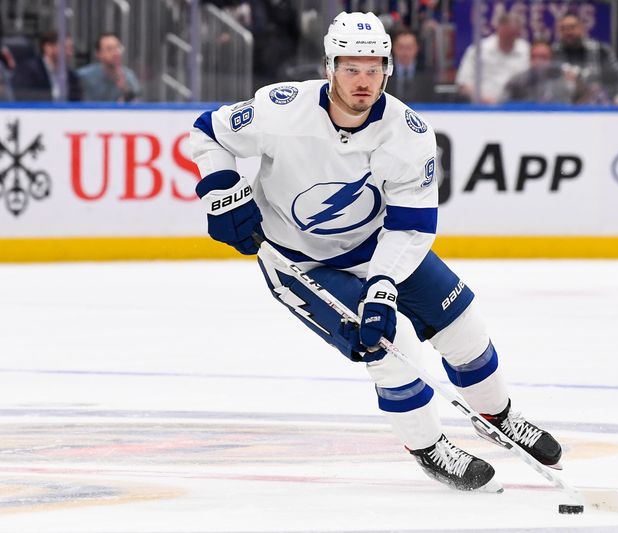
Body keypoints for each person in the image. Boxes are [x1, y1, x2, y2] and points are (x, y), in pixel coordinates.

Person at [189, 11, 562, 492]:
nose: (363, 81)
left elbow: (410, 227)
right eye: (350, 68)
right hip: (300, 261)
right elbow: (208, 131)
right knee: (388, 346)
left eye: (373, 69)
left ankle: (497, 413)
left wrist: (383, 285)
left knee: (465, 329)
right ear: (329, 68)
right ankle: (427, 446)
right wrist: (219, 193)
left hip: (378, 246)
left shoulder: (409, 134)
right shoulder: (281, 109)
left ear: (388, 69)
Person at [455, 12, 529, 104]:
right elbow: (463, 83)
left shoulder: (526, 50)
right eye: (507, 35)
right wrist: (484, 100)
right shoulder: (478, 50)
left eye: (514, 35)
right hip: (481, 107)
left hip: (517, 108)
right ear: (499, 29)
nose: (510, 38)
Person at [552, 13, 618, 105]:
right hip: (561, 109)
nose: (568, 32)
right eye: (563, 29)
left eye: (572, 27)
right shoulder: (553, 52)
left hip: (595, 108)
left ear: (582, 28)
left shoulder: (601, 51)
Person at [11, 31, 82, 102]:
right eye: (65, 48)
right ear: (48, 48)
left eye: (71, 48)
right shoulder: (28, 71)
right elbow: (24, 98)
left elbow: (76, 102)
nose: (70, 53)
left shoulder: (71, 77)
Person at [501, 40, 579, 104]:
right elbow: (503, 104)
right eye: (534, 57)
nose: (538, 61)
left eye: (543, 57)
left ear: (551, 59)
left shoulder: (564, 80)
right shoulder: (517, 81)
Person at [77, 32, 140, 102]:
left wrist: (125, 89)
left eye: (118, 48)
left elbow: (138, 106)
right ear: (98, 53)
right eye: (109, 49)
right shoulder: (84, 77)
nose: (116, 53)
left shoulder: (128, 77)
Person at [385, 27, 438, 102]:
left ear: (417, 48)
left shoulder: (426, 74)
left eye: (409, 47)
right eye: (401, 47)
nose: (405, 52)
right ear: (393, 48)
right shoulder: (384, 73)